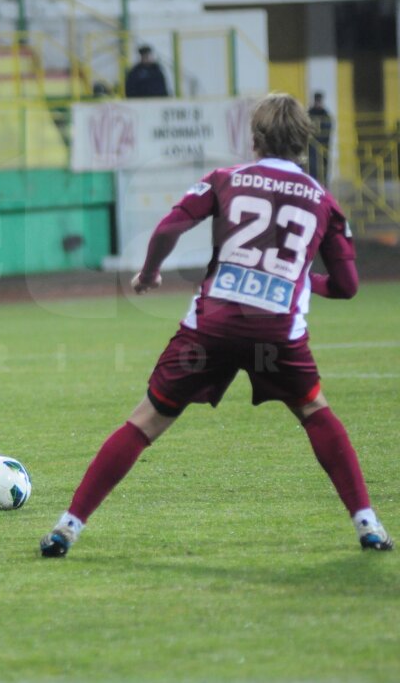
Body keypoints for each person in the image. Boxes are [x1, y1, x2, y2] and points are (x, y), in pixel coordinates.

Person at [39, 93, 392, 557]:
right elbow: (347, 286)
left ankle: (67, 527)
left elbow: (168, 228)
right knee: (316, 414)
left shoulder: (226, 179)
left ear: (256, 138)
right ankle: (367, 524)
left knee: (145, 421)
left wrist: (149, 273)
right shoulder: (324, 202)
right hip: (276, 335)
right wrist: (305, 279)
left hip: (212, 328)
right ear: (305, 141)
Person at [308, 92, 333, 184]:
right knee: (311, 169)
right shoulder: (310, 113)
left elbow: (328, 130)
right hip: (310, 148)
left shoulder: (325, 115)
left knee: (323, 169)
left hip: (323, 147)